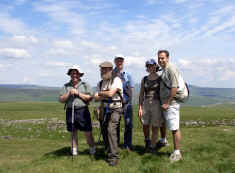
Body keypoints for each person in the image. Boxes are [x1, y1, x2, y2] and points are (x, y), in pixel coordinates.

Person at [59, 65, 96, 156]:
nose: (74, 75)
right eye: (72, 73)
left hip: (82, 110)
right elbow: (61, 99)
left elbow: (90, 97)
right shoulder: (66, 86)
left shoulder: (85, 85)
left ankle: (92, 150)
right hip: (70, 110)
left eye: (76, 73)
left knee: (87, 131)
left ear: (80, 74)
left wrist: (78, 93)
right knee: (73, 131)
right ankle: (74, 150)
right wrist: (69, 93)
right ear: (70, 74)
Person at [94, 61, 123, 166]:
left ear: (111, 70)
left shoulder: (116, 80)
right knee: (104, 130)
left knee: (111, 130)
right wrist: (104, 94)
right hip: (104, 109)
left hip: (116, 109)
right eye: (102, 69)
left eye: (105, 69)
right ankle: (108, 150)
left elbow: (110, 94)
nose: (103, 71)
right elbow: (95, 98)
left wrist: (101, 93)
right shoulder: (100, 83)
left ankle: (113, 158)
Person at [158, 50, 182, 162]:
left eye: (163, 58)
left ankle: (177, 153)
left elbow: (174, 87)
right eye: (159, 58)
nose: (160, 60)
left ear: (168, 58)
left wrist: (168, 102)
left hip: (171, 104)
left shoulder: (171, 69)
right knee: (163, 123)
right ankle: (163, 140)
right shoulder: (164, 69)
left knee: (174, 128)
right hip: (165, 103)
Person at [138, 59, 164, 152]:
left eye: (152, 65)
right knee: (145, 124)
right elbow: (141, 93)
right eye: (148, 66)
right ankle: (147, 141)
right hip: (146, 103)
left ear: (155, 66)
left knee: (155, 125)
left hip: (156, 103)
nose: (150, 67)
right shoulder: (144, 79)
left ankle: (153, 146)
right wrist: (140, 107)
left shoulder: (160, 78)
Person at [113, 55, 134, 151]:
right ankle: (115, 144)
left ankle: (127, 145)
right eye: (117, 60)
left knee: (128, 124)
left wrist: (128, 100)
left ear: (123, 62)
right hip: (115, 102)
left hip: (126, 102)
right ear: (115, 62)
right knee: (115, 124)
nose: (119, 62)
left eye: (121, 60)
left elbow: (132, 88)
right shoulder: (111, 74)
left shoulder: (128, 75)